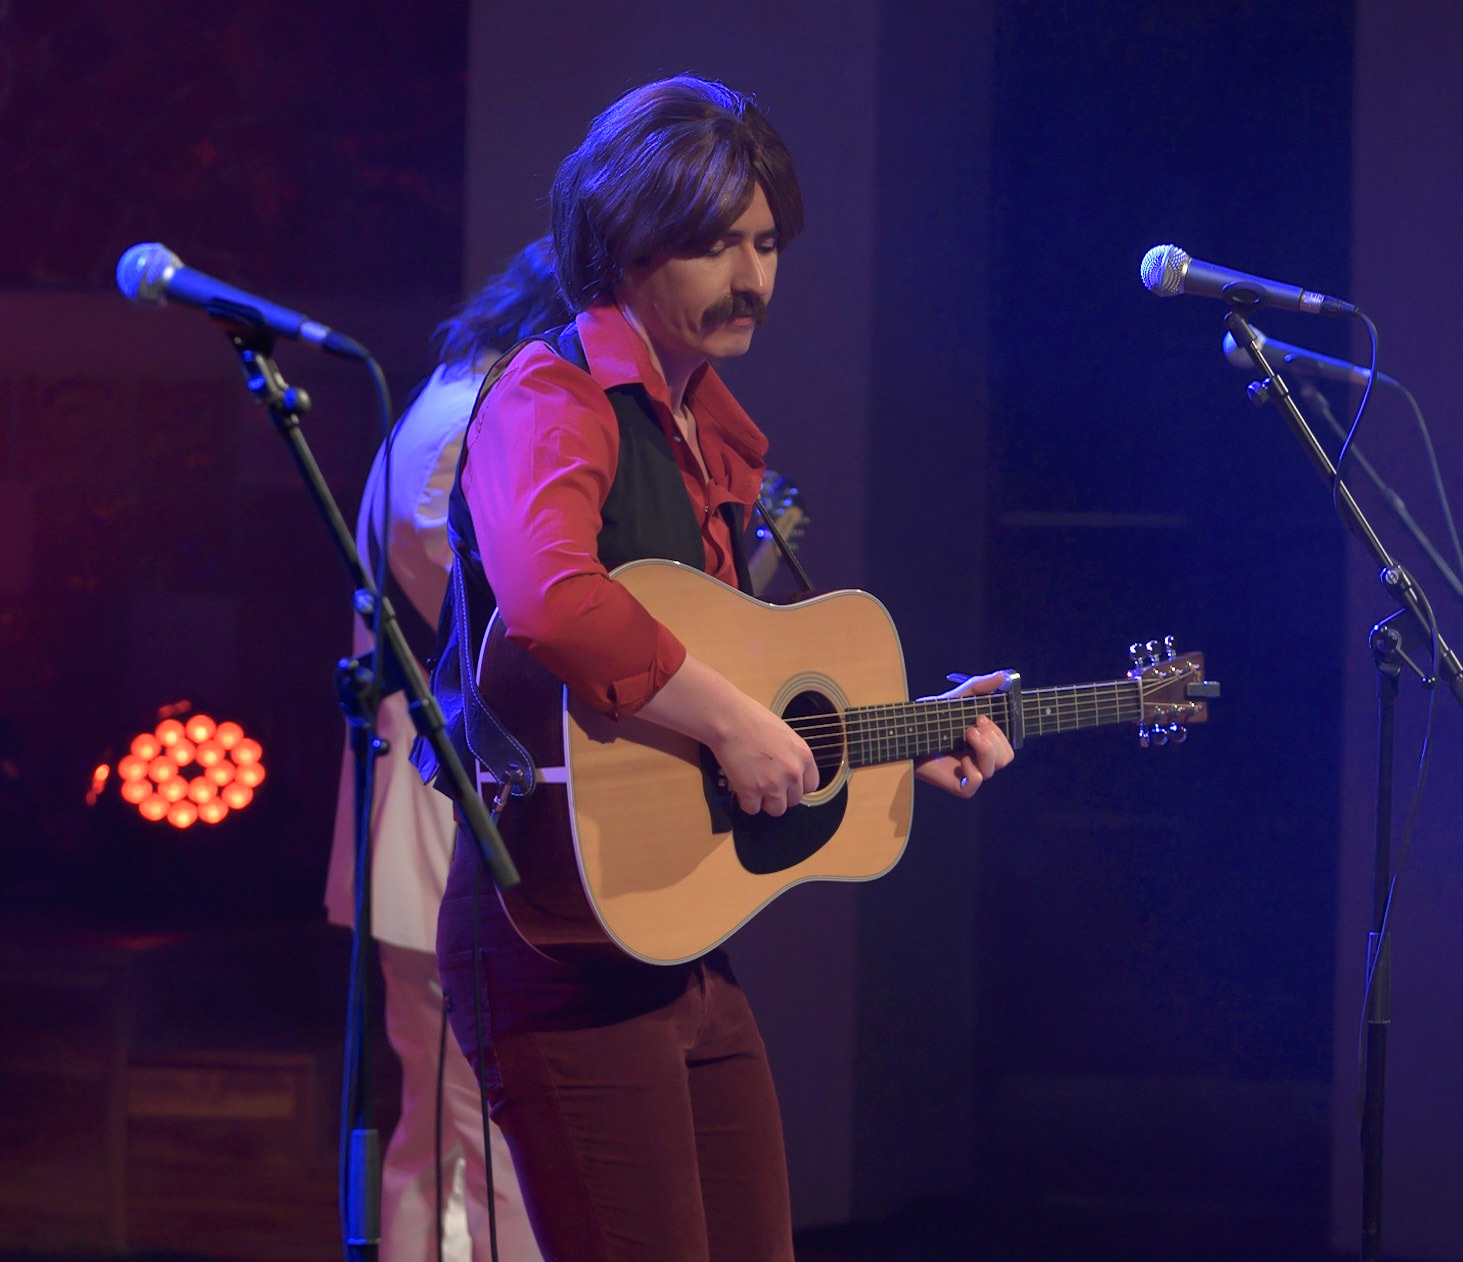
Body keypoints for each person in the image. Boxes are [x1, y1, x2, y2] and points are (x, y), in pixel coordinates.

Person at [427, 75, 1014, 1262]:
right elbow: (553, 599)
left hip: (673, 930)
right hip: (553, 936)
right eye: (712, 245)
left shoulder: (709, 432)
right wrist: (739, 727)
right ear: (622, 244)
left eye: (766, 242)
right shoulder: (553, 395)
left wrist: (897, 729)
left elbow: (726, 667)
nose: (752, 277)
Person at [325, 239, 569, 1262]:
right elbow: (491, 636)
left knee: (451, 1135)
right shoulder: (464, 424)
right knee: (477, 1137)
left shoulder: (455, 401)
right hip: (435, 828)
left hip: (439, 822)